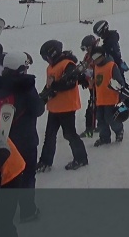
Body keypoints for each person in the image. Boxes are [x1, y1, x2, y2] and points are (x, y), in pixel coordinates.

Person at [0, 51, 45, 223]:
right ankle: (28, 210)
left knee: (8, 177)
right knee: (27, 175)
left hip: (5, 140)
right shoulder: (26, 86)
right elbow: (38, 109)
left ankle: (5, 211)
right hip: (26, 140)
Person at [36, 39, 88, 171]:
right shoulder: (51, 68)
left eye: (46, 57)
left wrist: (54, 86)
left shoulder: (68, 64)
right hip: (54, 107)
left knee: (70, 134)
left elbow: (70, 83)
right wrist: (43, 96)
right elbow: (49, 85)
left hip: (67, 107)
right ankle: (45, 162)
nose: (46, 60)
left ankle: (81, 158)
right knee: (49, 135)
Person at [89, 46, 125, 146]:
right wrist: (92, 83)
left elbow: (120, 82)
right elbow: (98, 81)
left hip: (111, 99)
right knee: (100, 119)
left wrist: (116, 86)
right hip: (100, 99)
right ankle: (104, 137)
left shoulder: (111, 66)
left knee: (110, 118)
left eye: (97, 57)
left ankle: (119, 130)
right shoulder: (96, 67)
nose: (95, 60)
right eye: (93, 58)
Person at [92, 19, 128, 86]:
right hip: (115, 63)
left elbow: (108, 50)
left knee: (121, 84)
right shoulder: (110, 38)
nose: (100, 36)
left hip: (115, 64)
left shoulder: (111, 40)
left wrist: (97, 48)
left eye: (99, 34)